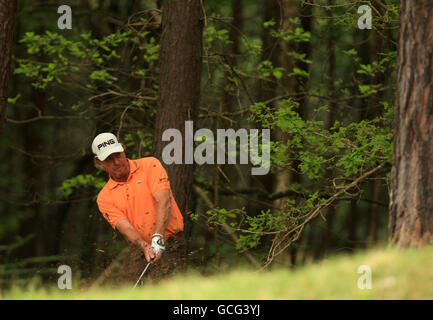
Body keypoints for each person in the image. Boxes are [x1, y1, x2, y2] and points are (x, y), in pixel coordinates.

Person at [92, 132, 185, 285]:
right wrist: (145, 246)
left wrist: (158, 236)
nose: (116, 162)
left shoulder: (149, 165)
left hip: (172, 243)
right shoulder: (104, 198)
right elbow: (125, 228)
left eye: (118, 155)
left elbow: (164, 201)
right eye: (109, 159)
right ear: (99, 163)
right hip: (142, 249)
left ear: (123, 150)